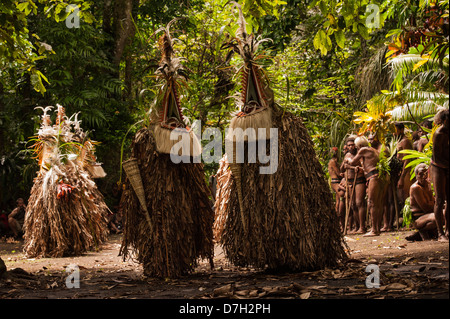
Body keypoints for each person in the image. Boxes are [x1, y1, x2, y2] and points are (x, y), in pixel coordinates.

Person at [347, 136, 387, 236]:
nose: (356, 148)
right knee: (377, 203)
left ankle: (374, 230)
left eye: (356, 146)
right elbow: (367, 165)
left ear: (359, 145)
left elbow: (352, 161)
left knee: (372, 202)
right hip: (376, 176)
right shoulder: (372, 150)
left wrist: (347, 160)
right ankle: (376, 228)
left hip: (373, 177)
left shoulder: (364, 149)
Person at [430, 108, 449, 242]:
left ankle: (448, 230)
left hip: (447, 166)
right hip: (438, 167)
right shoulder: (439, 133)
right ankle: (440, 233)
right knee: (440, 200)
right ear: (444, 121)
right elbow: (437, 157)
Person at [341, 135, 366, 234]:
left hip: (359, 180)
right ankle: (357, 226)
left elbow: (364, 168)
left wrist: (354, 168)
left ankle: (363, 227)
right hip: (350, 181)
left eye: (352, 145)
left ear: (355, 145)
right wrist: (345, 164)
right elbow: (342, 169)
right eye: (349, 145)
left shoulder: (360, 154)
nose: (351, 147)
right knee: (353, 204)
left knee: (359, 203)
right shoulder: (346, 155)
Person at [406, 164, 437, 241]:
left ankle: (429, 233)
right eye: (421, 174)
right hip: (419, 219)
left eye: (426, 173)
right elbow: (426, 207)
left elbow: (433, 201)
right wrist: (435, 203)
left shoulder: (427, 184)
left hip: (429, 214)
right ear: (417, 175)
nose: (424, 176)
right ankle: (422, 231)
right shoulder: (415, 188)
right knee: (438, 217)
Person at [394, 122, 414, 204]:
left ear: (401, 130)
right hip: (401, 170)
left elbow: (407, 160)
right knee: (401, 196)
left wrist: (402, 177)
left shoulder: (405, 141)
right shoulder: (398, 141)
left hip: (406, 171)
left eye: (395, 130)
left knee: (407, 195)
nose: (393, 133)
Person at [328, 147, 342, 216]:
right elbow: (338, 173)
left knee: (338, 200)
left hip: (336, 181)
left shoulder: (334, 161)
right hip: (335, 182)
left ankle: (338, 215)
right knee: (341, 195)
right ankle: (338, 216)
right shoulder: (332, 162)